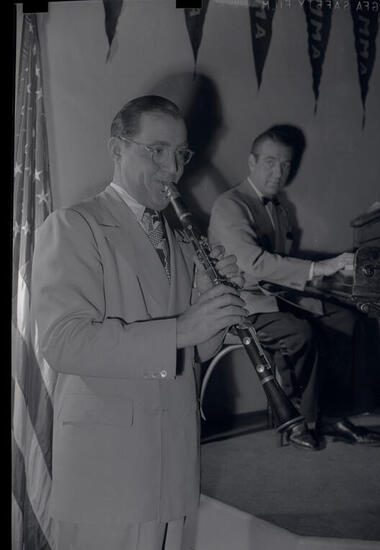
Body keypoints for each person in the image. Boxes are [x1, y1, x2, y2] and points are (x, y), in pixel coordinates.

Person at [30, 95, 248, 550]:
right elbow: (63, 342)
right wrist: (183, 327)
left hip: (172, 465)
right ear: (117, 148)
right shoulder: (74, 225)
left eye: (181, 153)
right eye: (157, 151)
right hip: (109, 471)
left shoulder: (182, 239)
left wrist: (213, 306)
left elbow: (194, 353)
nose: (173, 168)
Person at [208, 125, 380, 451]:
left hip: (274, 299)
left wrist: (331, 270)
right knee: (299, 333)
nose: (279, 173)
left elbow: (283, 262)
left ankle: (335, 416)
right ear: (252, 162)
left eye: (286, 164)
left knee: (348, 321)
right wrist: (320, 268)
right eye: (270, 162)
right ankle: (294, 420)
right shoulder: (229, 205)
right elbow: (255, 264)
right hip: (240, 305)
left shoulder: (279, 208)